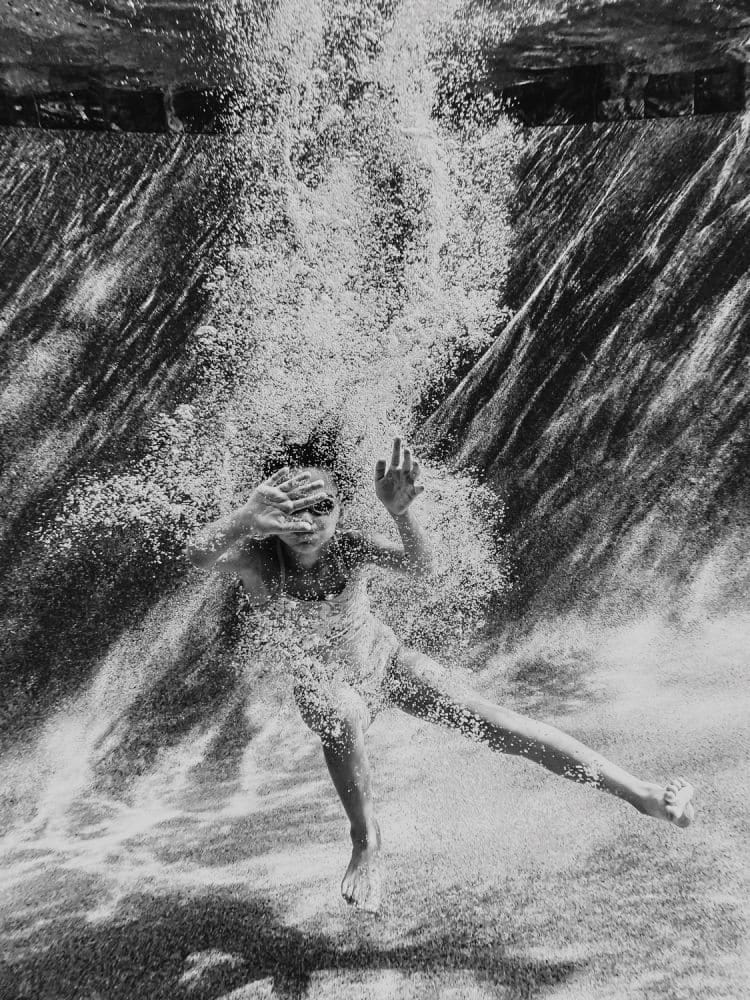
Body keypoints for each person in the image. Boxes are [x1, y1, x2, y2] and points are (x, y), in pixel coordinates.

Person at [186, 437, 695, 912]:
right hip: (323, 681)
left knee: (494, 721)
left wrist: (402, 514)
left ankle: (641, 793)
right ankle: (366, 840)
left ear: (341, 509)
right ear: (273, 511)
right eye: (295, 506)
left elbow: (425, 570)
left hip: (384, 660)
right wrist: (246, 516)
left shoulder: (351, 546)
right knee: (340, 712)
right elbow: (195, 554)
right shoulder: (256, 559)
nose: (311, 519)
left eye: (324, 506)